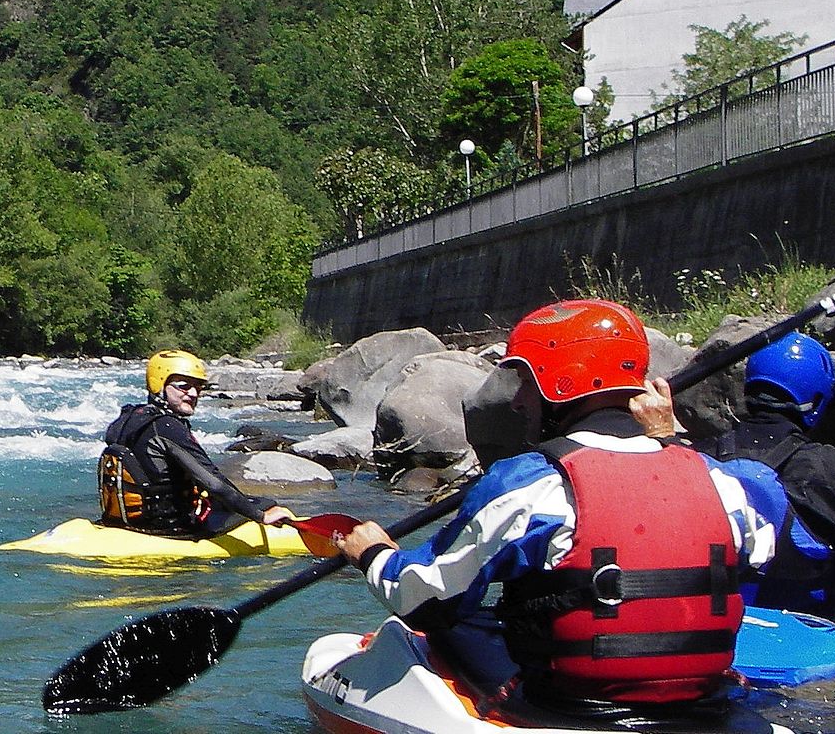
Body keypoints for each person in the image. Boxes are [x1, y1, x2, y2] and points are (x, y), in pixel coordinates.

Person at [332, 299, 782, 717]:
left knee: (451, 624)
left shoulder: (530, 483)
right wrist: (669, 442)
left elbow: (427, 599)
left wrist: (375, 556)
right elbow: (755, 557)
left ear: (557, 385)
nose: (517, 400)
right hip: (703, 704)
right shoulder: (727, 482)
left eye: (525, 382)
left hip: (573, 705)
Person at [633, 332, 835, 625]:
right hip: (808, 629)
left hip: (716, 624)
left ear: (749, 390)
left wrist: (664, 438)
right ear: (818, 401)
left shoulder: (695, 459)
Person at [98, 349, 294, 537]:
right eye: (183, 386)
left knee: (227, 502)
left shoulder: (129, 417)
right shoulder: (167, 427)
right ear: (159, 384)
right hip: (170, 528)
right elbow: (214, 483)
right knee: (264, 502)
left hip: (129, 521)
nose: (193, 393)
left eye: (198, 387)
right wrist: (261, 516)